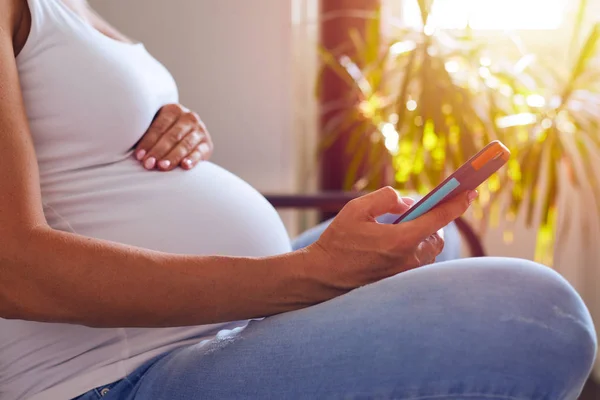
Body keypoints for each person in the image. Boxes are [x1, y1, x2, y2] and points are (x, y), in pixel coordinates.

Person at [0, 0, 596, 399]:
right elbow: (13, 272)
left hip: (216, 324)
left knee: (422, 242)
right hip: (113, 374)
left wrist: (177, 123)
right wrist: (312, 274)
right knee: (539, 312)